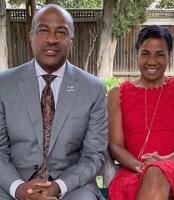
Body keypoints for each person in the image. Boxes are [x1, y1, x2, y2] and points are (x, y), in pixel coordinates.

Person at [0, 4, 108, 200]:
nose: (51, 39)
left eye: (61, 32)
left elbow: (94, 155)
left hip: (71, 186)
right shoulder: (3, 84)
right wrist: (18, 188)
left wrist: (59, 186)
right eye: (43, 30)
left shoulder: (93, 89)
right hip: (12, 183)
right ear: (30, 37)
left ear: (71, 41)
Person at [108, 25, 174, 200]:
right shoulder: (117, 94)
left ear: (169, 57)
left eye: (159, 54)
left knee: (156, 172)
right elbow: (116, 146)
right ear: (137, 55)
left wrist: (164, 160)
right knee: (154, 173)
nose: (152, 61)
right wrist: (142, 167)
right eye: (145, 53)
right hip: (134, 170)